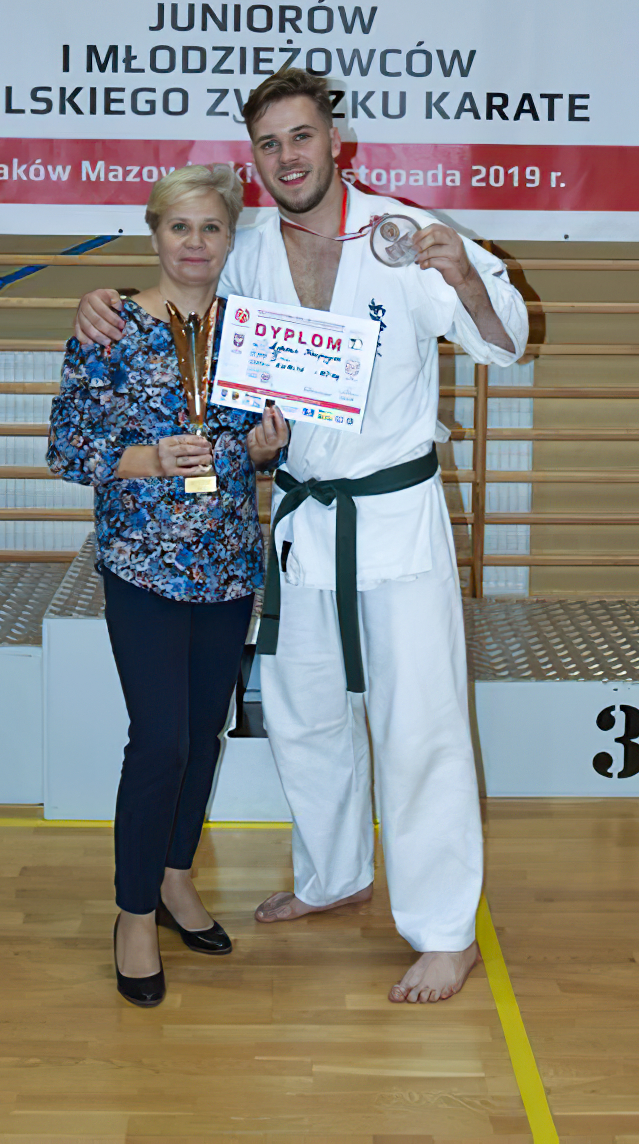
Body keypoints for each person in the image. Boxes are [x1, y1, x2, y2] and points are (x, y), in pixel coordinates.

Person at [75, 69, 529, 1004]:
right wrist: (102, 298)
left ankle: (445, 932)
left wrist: (462, 276)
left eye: (302, 136)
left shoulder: (406, 236)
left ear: (335, 141)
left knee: (420, 724)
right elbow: (176, 298)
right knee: (303, 710)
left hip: (394, 516)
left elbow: (505, 341)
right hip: (300, 518)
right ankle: (334, 874)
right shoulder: (245, 252)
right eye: (270, 144)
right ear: (255, 159)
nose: (288, 156)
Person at [48, 163, 289, 1008]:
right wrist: (147, 460)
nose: (195, 243)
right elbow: (66, 449)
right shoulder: (109, 326)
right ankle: (133, 912)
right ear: (154, 234)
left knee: (203, 735)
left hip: (227, 564)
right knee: (159, 742)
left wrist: (265, 448)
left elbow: (264, 446)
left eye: (211, 228)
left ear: (230, 238)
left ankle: (176, 877)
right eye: (180, 227)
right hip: (143, 565)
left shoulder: (255, 332)